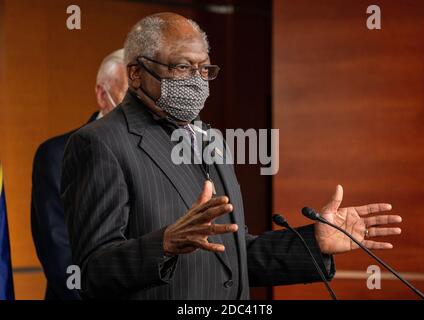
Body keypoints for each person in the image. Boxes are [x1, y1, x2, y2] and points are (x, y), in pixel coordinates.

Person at [61, 13, 402, 299]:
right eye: (182, 68)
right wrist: (164, 244)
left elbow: (233, 255)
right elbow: (92, 272)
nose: (196, 82)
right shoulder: (99, 143)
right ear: (136, 73)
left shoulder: (211, 138)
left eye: (204, 69)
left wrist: (314, 242)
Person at [31, 49, 127, 300]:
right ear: (102, 96)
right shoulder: (56, 155)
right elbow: (59, 253)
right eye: (130, 97)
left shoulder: (154, 154)